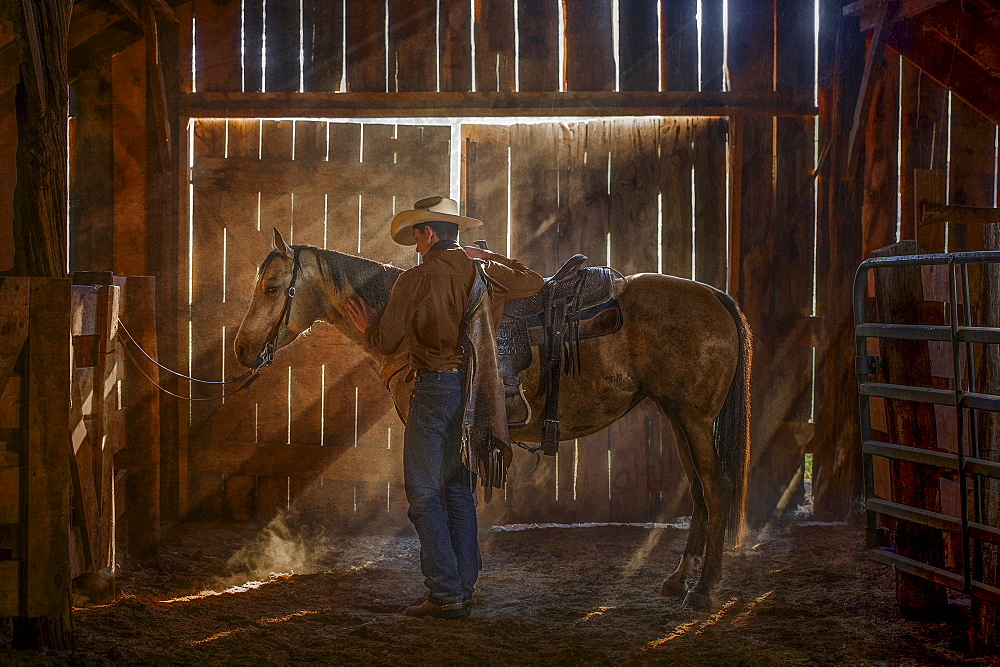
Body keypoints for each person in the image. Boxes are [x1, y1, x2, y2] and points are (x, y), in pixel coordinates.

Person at [345, 196, 543, 619]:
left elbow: (387, 343)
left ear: (429, 233)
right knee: (457, 489)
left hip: (434, 391)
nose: (415, 242)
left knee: (423, 493)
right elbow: (534, 282)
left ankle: (445, 594)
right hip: (473, 394)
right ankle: (463, 588)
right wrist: (485, 255)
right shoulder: (481, 271)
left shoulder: (414, 281)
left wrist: (367, 329)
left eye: (417, 233)